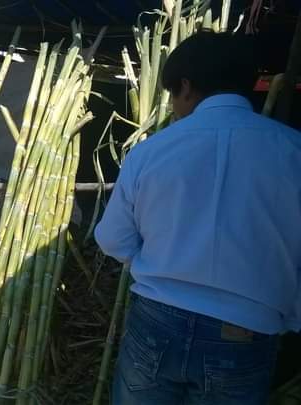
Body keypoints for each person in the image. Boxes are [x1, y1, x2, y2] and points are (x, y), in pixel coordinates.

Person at [95, 31, 301, 405]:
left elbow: (113, 240)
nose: (174, 106)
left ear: (185, 87)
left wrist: (159, 262)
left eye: (173, 95)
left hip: (157, 320)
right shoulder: (292, 151)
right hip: (246, 328)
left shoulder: (152, 151)